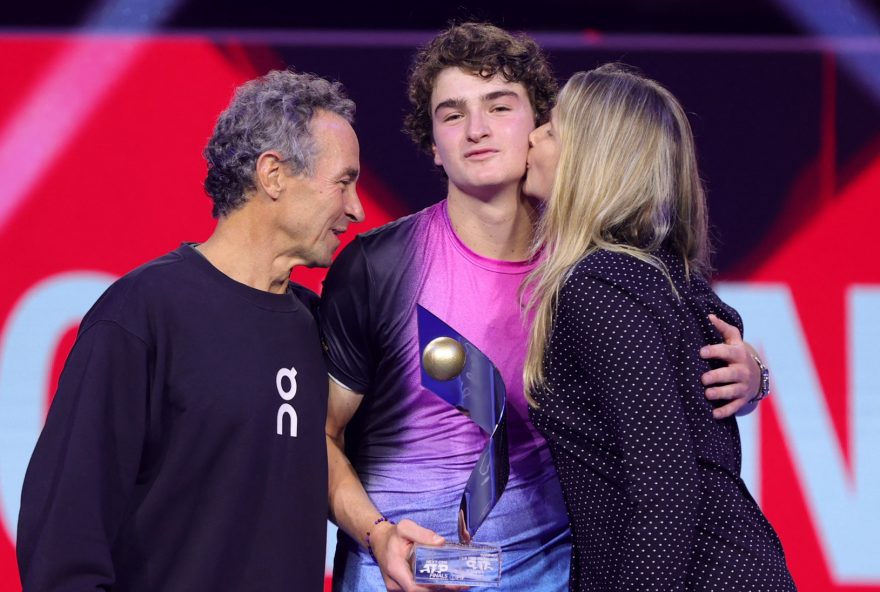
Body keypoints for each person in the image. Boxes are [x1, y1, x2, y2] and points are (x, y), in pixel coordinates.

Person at [321, 24, 766, 592]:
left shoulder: (595, 272)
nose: (477, 130)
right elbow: (319, 435)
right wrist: (377, 533)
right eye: (452, 114)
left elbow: (673, 457)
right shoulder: (376, 268)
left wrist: (757, 376)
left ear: (540, 128)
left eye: (499, 106)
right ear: (432, 142)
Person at [17, 70, 364, 591]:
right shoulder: (143, 314)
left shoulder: (316, 326)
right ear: (273, 175)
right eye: (343, 182)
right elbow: (64, 534)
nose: (356, 208)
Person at [522, 63, 795, 591]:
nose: (534, 136)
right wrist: (758, 375)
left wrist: (758, 375)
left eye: (552, 130)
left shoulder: (600, 289)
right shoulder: (655, 273)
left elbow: (667, 491)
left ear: (590, 161)